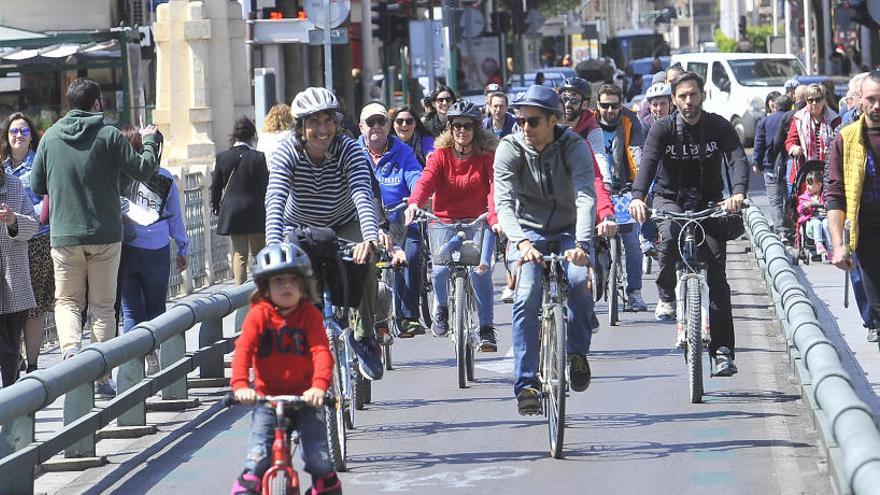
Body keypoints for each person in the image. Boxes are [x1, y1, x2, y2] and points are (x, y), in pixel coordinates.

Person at [30, 78, 159, 392]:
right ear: (97, 103)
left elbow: (37, 186)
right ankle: (101, 376)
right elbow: (143, 169)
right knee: (103, 306)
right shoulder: (109, 135)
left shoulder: (50, 138)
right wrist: (151, 140)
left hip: (64, 235)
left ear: (70, 104)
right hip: (105, 234)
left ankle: (71, 351)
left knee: (68, 301)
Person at [628, 71, 749, 376]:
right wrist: (638, 197)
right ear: (673, 100)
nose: (688, 101)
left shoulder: (717, 125)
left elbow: (736, 158)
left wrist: (738, 194)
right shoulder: (662, 129)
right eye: (682, 96)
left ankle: (722, 352)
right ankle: (667, 293)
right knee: (668, 237)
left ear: (702, 96)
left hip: (710, 201)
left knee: (718, 276)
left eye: (693, 95)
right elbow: (648, 164)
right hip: (669, 198)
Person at [264, 87, 384, 380]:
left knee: (366, 263)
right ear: (300, 127)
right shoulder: (286, 152)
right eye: (313, 122)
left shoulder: (349, 148)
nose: (322, 129)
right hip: (300, 227)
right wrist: (272, 246)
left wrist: (369, 237)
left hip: (344, 222)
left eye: (328, 120)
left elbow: (361, 193)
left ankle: (364, 335)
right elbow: (275, 199)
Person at [493, 84, 598, 414]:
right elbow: (504, 204)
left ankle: (577, 352)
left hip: (569, 232)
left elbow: (585, 196)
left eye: (533, 121)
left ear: (554, 120)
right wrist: (521, 242)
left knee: (580, 281)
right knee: (525, 296)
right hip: (527, 235)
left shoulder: (575, 147)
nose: (525, 128)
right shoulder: (509, 147)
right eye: (521, 120)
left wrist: (582, 244)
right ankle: (527, 384)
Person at [229, 243, 341, 495]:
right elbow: (243, 352)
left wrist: (319, 386)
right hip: (267, 400)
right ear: (266, 287)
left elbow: (322, 353)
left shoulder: (310, 315)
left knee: (319, 460)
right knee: (256, 462)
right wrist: (240, 386)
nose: (287, 286)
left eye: (293, 280)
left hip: (306, 399)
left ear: (303, 285)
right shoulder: (258, 315)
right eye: (279, 281)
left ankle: (328, 486)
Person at [404, 100, 500, 351]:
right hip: (444, 221)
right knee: (439, 270)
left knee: (481, 269)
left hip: (480, 220)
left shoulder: (487, 156)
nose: (462, 130)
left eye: (468, 125)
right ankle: (443, 309)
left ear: (476, 129)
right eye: (456, 125)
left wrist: (494, 215)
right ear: (449, 128)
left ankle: (486, 329)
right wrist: (415, 203)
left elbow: (494, 188)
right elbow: (425, 182)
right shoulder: (440, 156)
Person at [117, 126, 188, 375]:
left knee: (130, 311)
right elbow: (175, 219)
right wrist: (182, 246)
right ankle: (154, 353)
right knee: (157, 309)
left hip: (126, 246)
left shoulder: (119, 175)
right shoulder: (166, 177)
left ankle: (134, 366)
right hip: (156, 247)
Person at [357, 102, 425, 338]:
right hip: (366, 219)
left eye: (381, 121)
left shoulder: (403, 151)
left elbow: (416, 175)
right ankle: (365, 318)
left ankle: (407, 317)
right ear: (361, 127)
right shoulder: (353, 153)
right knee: (363, 260)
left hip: (401, 217)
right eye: (370, 122)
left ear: (388, 126)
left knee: (413, 252)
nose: (376, 127)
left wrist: (416, 200)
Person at [827, 71, 880, 342]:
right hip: (868, 238)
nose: (877, 105)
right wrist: (838, 244)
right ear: (859, 100)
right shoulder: (846, 138)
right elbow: (835, 194)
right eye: (871, 99)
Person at [1, 112, 50, 374]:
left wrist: (23, 216)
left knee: (33, 306)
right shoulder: (3, 167)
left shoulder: (39, 164)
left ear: (32, 136)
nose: (18, 136)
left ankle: (32, 363)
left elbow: (48, 199)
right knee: (9, 305)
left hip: (38, 240)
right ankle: (13, 357)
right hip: (9, 248)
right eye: (13, 132)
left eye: (23, 131)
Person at [595, 84, 647, 311]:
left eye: (614, 105)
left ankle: (634, 292)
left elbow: (638, 153)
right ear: (597, 104)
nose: (609, 110)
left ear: (621, 104)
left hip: (624, 187)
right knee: (589, 242)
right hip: (596, 188)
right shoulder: (589, 121)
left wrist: (639, 187)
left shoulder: (631, 121)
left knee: (632, 243)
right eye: (604, 105)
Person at [211, 117, 269, 285]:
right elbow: (265, 186)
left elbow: (215, 187)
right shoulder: (258, 158)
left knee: (239, 253)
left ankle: (240, 292)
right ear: (252, 136)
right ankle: (262, 286)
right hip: (255, 211)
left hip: (233, 212)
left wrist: (215, 207)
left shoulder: (222, 157)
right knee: (259, 252)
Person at [0, 170, 38, 387]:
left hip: (13, 280)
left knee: (11, 347)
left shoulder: (14, 185)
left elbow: (33, 226)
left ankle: (11, 405)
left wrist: (14, 220)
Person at [754, 94, 794, 236]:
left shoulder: (765, 121)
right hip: (790, 163)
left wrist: (756, 163)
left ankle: (780, 230)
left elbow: (759, 144)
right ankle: (791, 228)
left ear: (775, 106)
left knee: (774, 200)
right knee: (789, 198)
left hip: (770, 164)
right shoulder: (793, 118)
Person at [785, 84, 841, 166]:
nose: (814, 103)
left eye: (818, 100)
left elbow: (840, 143)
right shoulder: (798, 118)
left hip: (828, 169)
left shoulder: (834, 119)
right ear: (806, 101)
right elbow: (790, 141)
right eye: (810, 100)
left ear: (823, 100)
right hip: (804, 168)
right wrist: (794, 148)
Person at [797, 170, 830, 257]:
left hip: (825, 217)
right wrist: (805, 206)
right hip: (812, 219)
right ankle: (818, 243)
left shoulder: (825, 196)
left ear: (819, 185)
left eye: (810, 184)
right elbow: (800, 209)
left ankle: (831, 247)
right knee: (817, 223)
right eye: (807, 184)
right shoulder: (805, 197)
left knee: (827, 224)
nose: (808, 187)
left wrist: (825, 206)